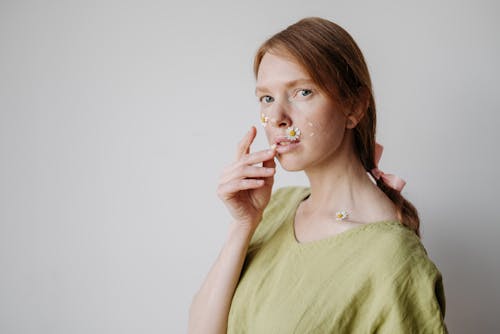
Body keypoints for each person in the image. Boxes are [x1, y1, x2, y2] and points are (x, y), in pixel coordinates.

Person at [188, 17, 448, 333]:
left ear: (354, 107)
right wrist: (243, 225)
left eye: (303, 92)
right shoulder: (275, 207)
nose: (278, 118)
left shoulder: (391, 256)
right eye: (267, 98)